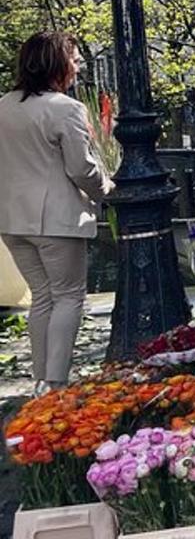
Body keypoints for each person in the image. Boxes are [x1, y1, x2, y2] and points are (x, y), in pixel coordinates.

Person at [0, 32, 113, 394]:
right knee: (68, 296)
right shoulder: (65, 108)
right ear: (57, 64)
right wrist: (106, 188)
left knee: (42, 296)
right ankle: (58, 382)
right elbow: (80, 168)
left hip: (11, 219)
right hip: (56, 220)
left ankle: (41, 381)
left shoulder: (3, 105)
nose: (78, 66)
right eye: (75, 60)